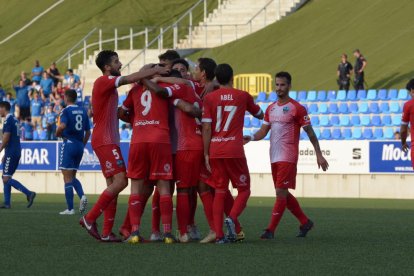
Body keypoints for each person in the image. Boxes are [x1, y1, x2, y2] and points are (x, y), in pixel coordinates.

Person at [78, 50, 169, 242]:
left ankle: (105, 233)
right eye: (116, 61)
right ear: (107, 67)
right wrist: (153, 71)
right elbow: (131, 78)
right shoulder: (104, 81)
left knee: (113, 185)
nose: (120, 64)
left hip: (106, 139)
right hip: (105, 140)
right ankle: (89, 218)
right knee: (122, 182)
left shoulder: (106, 86)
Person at [243, 71, 329, 240]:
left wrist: (318, 154)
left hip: (288, 155)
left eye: (282, 85)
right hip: (274, 156)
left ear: (289, 86)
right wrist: (251, 137)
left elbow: (310, 133)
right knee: (282, 192)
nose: (279, 88)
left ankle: (270, 230)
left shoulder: (297, 108)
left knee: (280, 192)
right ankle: (305, 222)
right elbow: (263, 131)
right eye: (277, 85)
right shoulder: (271, 108)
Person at [142, 70, 209, 243]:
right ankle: (164, 230)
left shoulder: (177, 91)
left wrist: (144, 77)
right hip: (188, 146)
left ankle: (181, 231)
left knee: (179, 190)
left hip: (181, 148)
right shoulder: (193, 92)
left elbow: (191, 109)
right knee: (191, 189)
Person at [202, 63, 264, 243]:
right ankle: (232, 217)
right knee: (244, 189)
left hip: (215, 149)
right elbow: (260, 114)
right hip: (234, 149)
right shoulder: (242, 96)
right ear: (232, 77)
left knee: (220, 190)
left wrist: (206, 153)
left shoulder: (210, 98)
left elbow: (206, 127)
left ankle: (219, 235)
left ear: (216, 78)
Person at [56, 89, 91, 215]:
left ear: (66, 98)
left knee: (67, 177)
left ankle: (70, 209)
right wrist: (83, 144)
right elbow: (88, 132)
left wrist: (57, 133)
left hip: (69, 144)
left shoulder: (65, 111)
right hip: (79, 146)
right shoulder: (83, 111)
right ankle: (82, 196)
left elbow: (62, 126)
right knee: (72, 176)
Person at [0, 101, 36, 209]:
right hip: (14, 151)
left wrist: (1, 149)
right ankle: (7, 203)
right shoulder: (15, 119)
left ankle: (29, 193)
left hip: (11, 151)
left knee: (6, 178)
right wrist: (5, 154)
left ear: (3, 108)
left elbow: (6, 137)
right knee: (6, 176)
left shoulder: (8, 120)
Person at [401, 79, 414, 161]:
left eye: (408, 92)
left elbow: (403, 129)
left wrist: (403, 143)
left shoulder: (408, 105)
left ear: (412, 90)